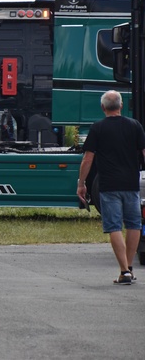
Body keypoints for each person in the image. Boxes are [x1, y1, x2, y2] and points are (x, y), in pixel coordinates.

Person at [77, 90, 145, 285]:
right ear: (121, 106)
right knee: (134, 225)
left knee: (114, 226)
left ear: (103, 107)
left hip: (108, 185)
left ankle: (124, 271)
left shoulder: (97, 128)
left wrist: (81, 184)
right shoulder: (135, 126)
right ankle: (129, 268)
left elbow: (88, 159)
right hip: (131, 184)